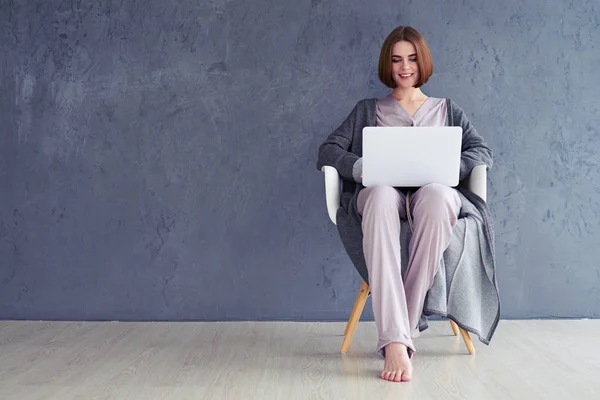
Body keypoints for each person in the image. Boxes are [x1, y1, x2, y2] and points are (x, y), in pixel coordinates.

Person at [316, 26, 493, 383]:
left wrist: (451, 170)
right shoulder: (368, 109)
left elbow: (481, 150)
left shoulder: (448, 109)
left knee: (441, 196)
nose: (405, 66)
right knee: (380, 195)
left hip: (430, 196)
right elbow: (328, 150)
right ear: (388, 65)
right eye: (396, 59)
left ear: (422, 62)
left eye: (412, 58)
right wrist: (359, 166)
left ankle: (399, 335)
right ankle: (399, 338)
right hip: (382, 198)